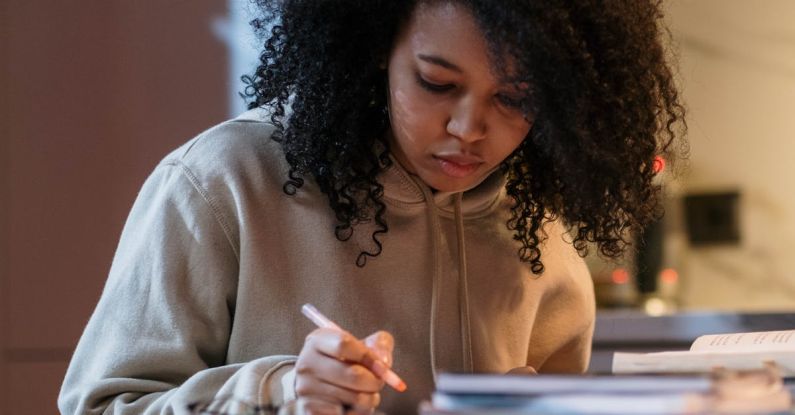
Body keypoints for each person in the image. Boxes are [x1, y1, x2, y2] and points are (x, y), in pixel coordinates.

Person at [58, 0, 686, 414]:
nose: (469, 127)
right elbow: (100, 405)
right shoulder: (225, 183)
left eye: (515, 98)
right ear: (372, 52)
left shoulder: (544, 251)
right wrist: (276, 393)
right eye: (436, 83)